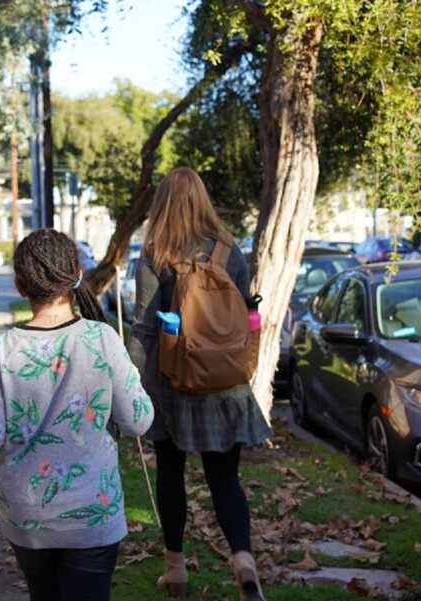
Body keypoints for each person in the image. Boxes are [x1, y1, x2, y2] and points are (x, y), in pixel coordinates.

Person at [0, 229, 155, 601]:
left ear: (20, 285)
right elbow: (138, 420)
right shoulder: (102, 340)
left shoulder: (4, 349)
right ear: (76, 275)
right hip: (92, 513)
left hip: (27, 515)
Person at [128, 167, 272, 601]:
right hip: (225, 384)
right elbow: (246, 315)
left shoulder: (155, 254)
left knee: (171, 475)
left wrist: (131, 386)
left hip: (173, 384)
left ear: (162, 204)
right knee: (225, 480)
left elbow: (144, 328)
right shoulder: (231, 250)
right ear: (203, 201)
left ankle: (176, 570)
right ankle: (244, 561)